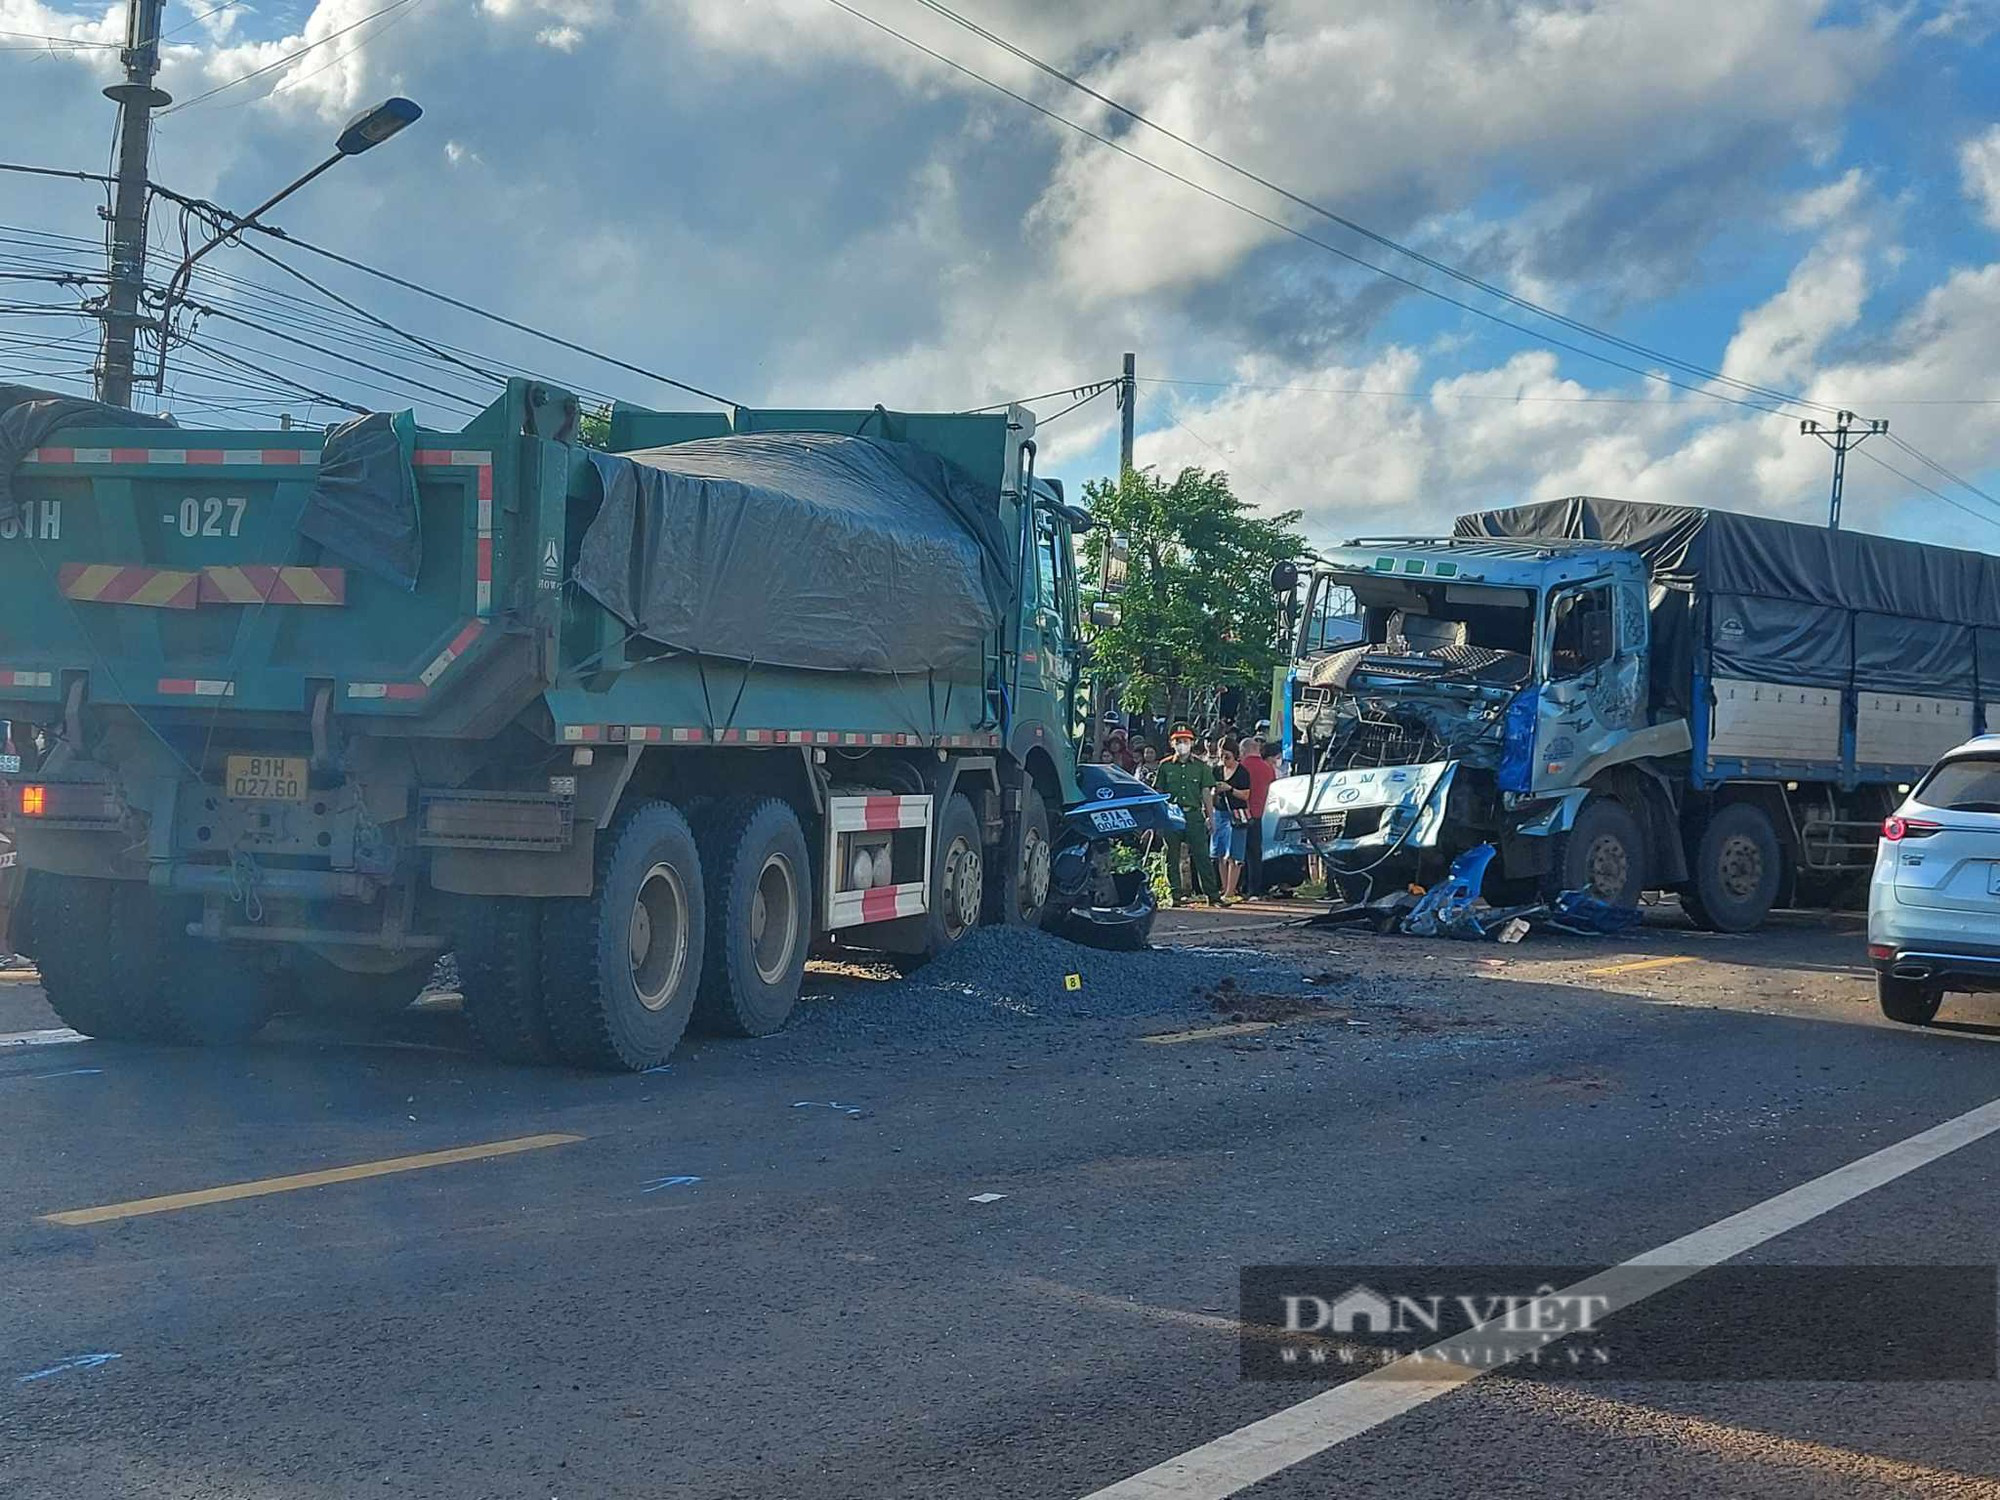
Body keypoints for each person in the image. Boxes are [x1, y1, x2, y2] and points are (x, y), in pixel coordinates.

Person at [1154, 723, 1220, 906]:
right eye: (1178, 741)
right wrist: (1158, 818)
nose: (1182, 744)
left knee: (1202, 856)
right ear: (1172, 743)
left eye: (1185, 741)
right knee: (1171, 857)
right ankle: (1175, 895)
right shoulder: (1165, 766)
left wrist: (1210, 817)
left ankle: (1212, 895)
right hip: (1172, 816)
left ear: (1192, 743)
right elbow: (1159, 792)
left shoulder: (1200, 766)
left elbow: (1206, 792)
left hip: (1194, 816)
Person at [1239, 734, 1279, 896]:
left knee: (1238, 854)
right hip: (1262, 815)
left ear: (1243, 750)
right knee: (1256, 854)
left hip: (1242, 813)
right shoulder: (1268, 768)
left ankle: (1239, 887)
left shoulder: (1240, 767)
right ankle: (1255, 889)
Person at [1214, 739, 1252, 902]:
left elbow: (1245, 795)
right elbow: (1208, 792)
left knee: (1234, 854)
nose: (1224, 760)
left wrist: (1230, 789)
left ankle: (1231, 891)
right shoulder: (1215, 770)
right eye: (1221, 756)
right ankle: (1225, 888)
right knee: (1219, 853)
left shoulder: (1242, 772)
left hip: (1236, 814)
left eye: (1228, 757)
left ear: (1235, 756)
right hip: (1219, 813)